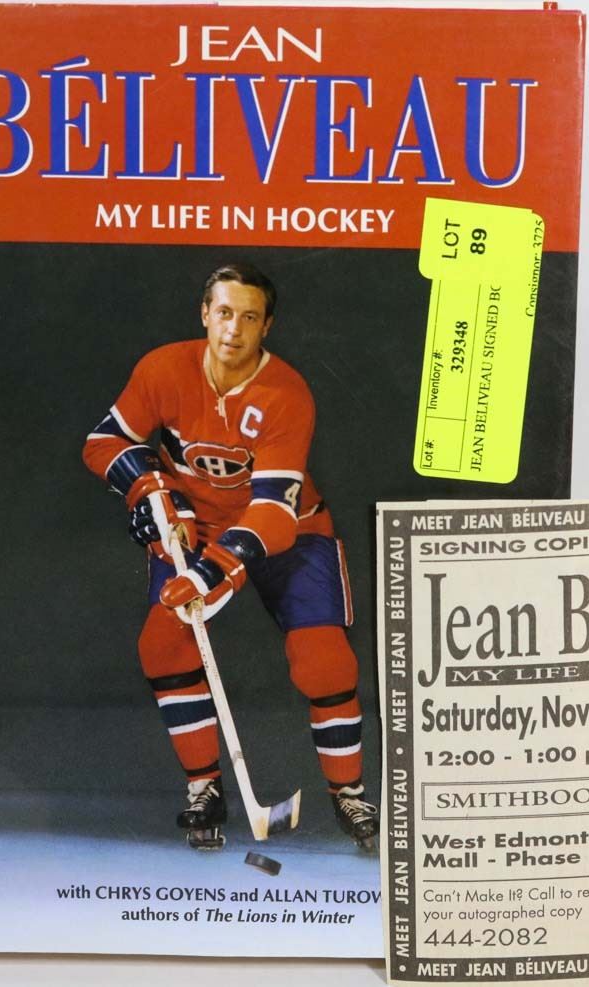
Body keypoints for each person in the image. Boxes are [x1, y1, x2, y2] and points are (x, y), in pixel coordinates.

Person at [82, 262, 378, 850]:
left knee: (323, 662)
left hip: (288, 530)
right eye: (223, 312)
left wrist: (212, 572)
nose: (233, 329)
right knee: (161, 646)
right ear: (204, 314)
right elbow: (103, 441)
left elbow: (272, 515)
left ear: (267, 326)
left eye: (249, 317)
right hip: (194, 529)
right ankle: (205, 789)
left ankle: (349, 791)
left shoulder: (287, 393)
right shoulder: (163, 368)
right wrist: (148, 486)